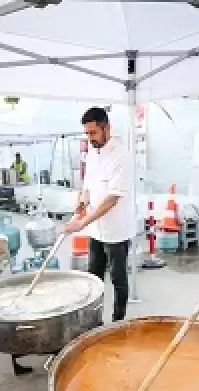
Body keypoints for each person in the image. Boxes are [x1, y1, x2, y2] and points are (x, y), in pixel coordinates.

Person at [64, 107, 136, 323]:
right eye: (87, 133)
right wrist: (81, 202)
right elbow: (87, 185)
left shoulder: (121, 156)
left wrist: (82, 223)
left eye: (93, 133)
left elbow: (112, 199)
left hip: (116, 230)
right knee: (93, 278)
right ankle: (94, 321)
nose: (90, 138)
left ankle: (118, 321)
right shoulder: (92, 153)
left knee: (118, 279)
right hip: (96, 230)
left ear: (107, 128)